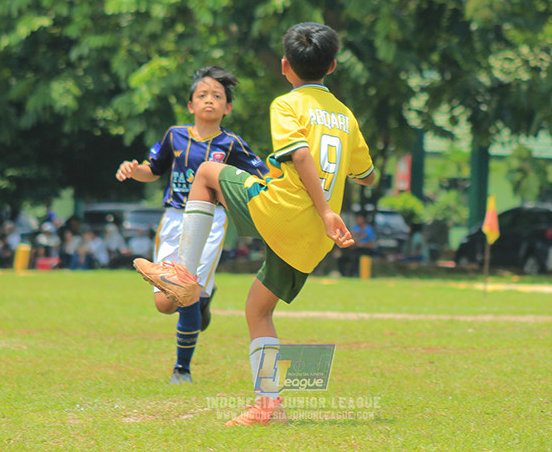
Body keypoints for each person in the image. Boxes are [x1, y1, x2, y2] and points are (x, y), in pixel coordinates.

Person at [133, 23, 376, 425]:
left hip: (284, 209)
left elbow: (299, 157)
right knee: (258, 310)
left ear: (285, 66)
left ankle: (181, 272)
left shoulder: (287, 105)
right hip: (314, 236)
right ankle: (269, 405)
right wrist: (334, 204)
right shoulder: (346, 117)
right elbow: (366, 175)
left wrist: (325, 208)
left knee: (208, 172)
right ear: (332, 66)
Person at [115, 65, 268, 385]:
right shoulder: (175, 136)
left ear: (227, 108)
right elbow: (152, 170)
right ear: (190, 105)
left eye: (217, 96)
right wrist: (133, 169)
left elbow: (260, 176)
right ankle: (204, 300)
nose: (209, 100)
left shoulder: (232, 144)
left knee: (185, 290)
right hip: (173, 220)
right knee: (163, 304)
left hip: (211, 223)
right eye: (202, 95)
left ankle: (181, 370)